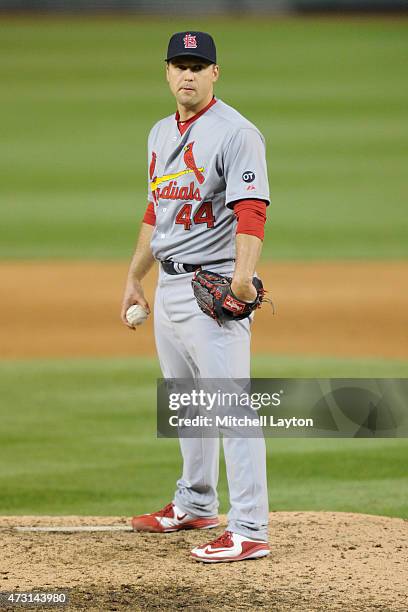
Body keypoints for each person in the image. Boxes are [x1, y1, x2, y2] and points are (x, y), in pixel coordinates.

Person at [121, 31, 270, 563]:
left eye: (198, 65)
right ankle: (196, 501)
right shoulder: (161, 133)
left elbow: (252, 211)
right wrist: (136, 276)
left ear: (215, 73)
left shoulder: (236, 133)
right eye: (179, 65)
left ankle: (250, 527)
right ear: (166, 72)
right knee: (186, 400)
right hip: (169, 286)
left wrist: (243, 279)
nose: (188, 74)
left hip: (214, 286)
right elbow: (155, 213)